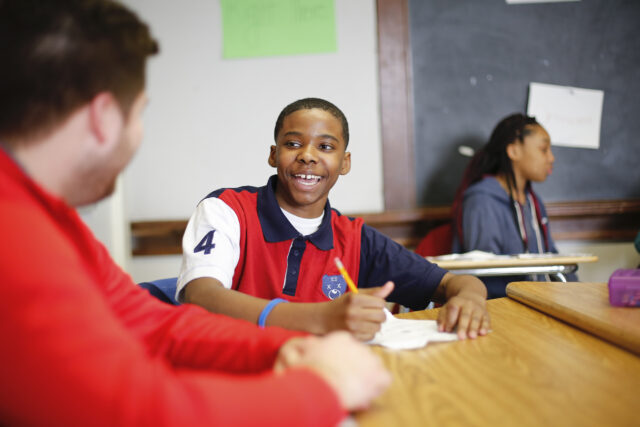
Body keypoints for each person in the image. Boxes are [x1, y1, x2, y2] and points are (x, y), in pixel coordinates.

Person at [0, 1, 391, 425]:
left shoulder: (48, 218)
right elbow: (140, 412)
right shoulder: (15, 238)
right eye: (140, 112)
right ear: (104, 118)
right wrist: (323, 389)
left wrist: (279, 348)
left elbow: (153, 324)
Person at [177, 98, 490, 341]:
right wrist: (321, 318)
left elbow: (454, 282)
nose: (308, 156)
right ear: (274, 155)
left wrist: (471, 298)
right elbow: (202, 296)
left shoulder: (353, 238)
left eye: (325, 146)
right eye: (293, 144)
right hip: (235, 377)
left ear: (345, 162)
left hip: (318, 378)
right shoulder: (227, 210)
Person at [450, 113, 575, 299]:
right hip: (501, 308)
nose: (551, 158)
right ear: (514, 151)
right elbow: (484, 274)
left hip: (537, 302)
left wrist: (575, 293)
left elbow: (552, 257)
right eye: (543, 149)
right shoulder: (482, 200)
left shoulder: (533, 202)